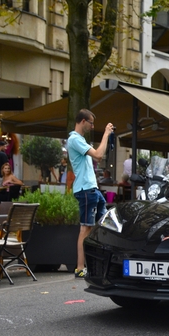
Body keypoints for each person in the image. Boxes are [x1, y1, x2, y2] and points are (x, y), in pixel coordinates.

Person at [67, 109, 113, 279]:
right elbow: (99, 155)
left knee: (102, 224)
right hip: (86, 190)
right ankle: (80, 267)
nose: (93, 126)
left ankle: (97, 263)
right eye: (91, 123)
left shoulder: (80, 140)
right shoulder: (74, 140)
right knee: (85, 228)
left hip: (91, 189)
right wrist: (106, 134)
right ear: (83, 121)